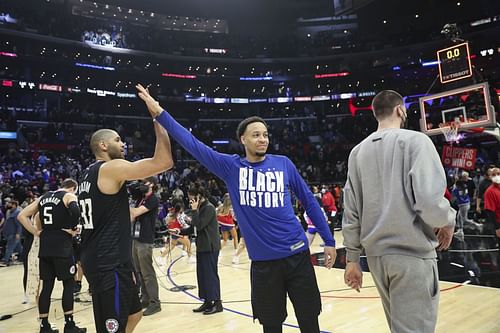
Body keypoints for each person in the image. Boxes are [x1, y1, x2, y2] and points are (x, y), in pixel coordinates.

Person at [150, 93, 336, 332]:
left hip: (297, 257)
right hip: (264, 265)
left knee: (310, 322)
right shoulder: (231, 167)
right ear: (243, 139)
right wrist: (159, 112)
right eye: (256, 135)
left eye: (265, 135)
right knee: (271, 325)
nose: (263, 139)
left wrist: (329, 240)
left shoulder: (283, 164)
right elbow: (192, 144)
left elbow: (310, 202)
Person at [342, 90, 457, 333]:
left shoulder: (357, 152)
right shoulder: (417, 141)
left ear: (375, 114)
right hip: (411, 255)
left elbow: (351, 210)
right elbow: (428, 201)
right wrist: (448, 219)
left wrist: (352, 258)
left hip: (376, 258)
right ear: (400, 110)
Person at [77, 84, 174, 333]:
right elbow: (163, 162)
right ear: (102, 146)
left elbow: (108, 214)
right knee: (113, 327)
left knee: (134, 314)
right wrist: (158, 116)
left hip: (107, 258)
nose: (123, 145)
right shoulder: (110, 168)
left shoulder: (86, 174)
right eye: (117, 140)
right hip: (108, 263)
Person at [17, 178, 86, 333]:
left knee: (47, 287)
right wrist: (72, 227)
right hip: (62, 246)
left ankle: (44, 326)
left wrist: (36, 232)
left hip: (45, 247)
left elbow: (21, 215)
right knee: (68, 284)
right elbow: (76, 211)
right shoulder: (69, 196)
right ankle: (69, 325)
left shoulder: (44, 197)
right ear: (72, 188)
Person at [188, 184, 223, 315]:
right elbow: (194, 227)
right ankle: (208, 301)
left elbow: (200, 224)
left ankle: (217, 303)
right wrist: (180, 231)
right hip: (202, 246)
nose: (191, 201)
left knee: (211, 275)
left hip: (210, 247)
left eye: (192, 198)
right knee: (202, 275)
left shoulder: (208, 208)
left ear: (199, 197)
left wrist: (194, 211)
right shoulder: (200, 208)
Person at [130, 176, 161, 316]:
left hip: (145, 239)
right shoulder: (140, 198)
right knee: (139, 271)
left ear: (152, 184)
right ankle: (145, 298)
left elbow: (135, 213)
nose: (141, 184)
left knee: (147, 272)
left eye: (144, 182)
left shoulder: (153, 199)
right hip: (136, 237)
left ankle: (155, 302)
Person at [0, 200, 22, 266]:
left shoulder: (17, 212)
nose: (7, 205)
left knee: (9, 247)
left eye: (9, 204)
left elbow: (19, 224)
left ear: (14, 205)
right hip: (9, 233)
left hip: (14, 233)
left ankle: (5, 261)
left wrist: (18, 233)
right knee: (19, 248)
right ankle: (24, 258)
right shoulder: (9, 212)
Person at [484, 167, 500, 251]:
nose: (497, 176)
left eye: (498, 174)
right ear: (490, 177)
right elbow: (490, 211)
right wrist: (497, 228)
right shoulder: (490, 192)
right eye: (494, 174)